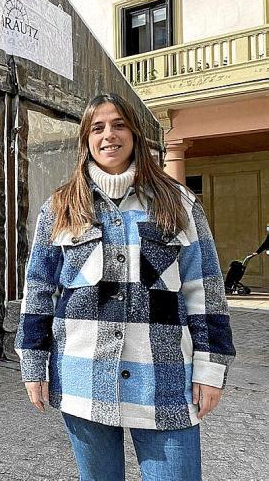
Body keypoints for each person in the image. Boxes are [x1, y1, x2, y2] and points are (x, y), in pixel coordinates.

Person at [15, 93, 235, 481]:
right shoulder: (61, 207)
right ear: (85, 140)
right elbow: (39, 292)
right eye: (97, 128)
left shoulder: (178, 202)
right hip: (84, 377)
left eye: (118, 125)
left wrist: (210, 368)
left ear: (134, 133)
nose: (108, 135)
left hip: (165, 380)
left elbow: (205, 290)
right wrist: (34, 365)